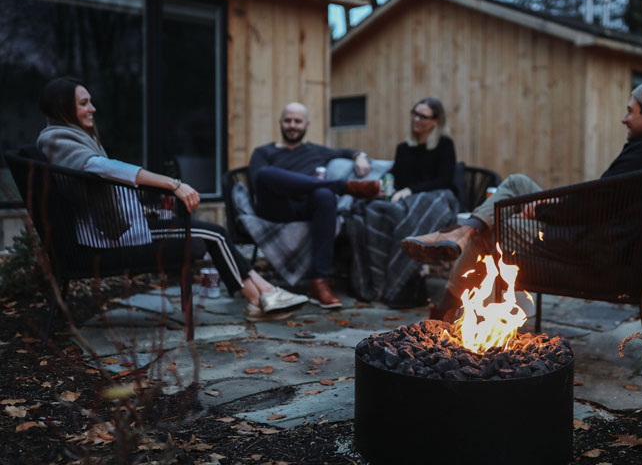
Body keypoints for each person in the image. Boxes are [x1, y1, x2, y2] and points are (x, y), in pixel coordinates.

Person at [401, 76, 642, 321]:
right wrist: (554, 206)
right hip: (603, 239)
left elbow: (595, 206)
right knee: (517, 184)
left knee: (492, 231)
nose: (624, 119)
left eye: (631, 111)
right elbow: (602, 201)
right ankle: (462, 232)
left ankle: (445, 307)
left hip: (586, 249)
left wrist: (543, 210)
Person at [36, 77, 306, 323]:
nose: (92, 108)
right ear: (63, 109)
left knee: (214, 233)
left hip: (114, 227)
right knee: (214, 234)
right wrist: (173, 184)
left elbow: (96, 184)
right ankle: (262, 297)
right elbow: (102, 168)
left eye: (90, 102)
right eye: (84, 103)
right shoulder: (56, 138)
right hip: (110, 236)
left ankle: (264, 297)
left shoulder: (69, 137)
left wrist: (144, 209)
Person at [248, 102, 380, 307]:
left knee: (325, 195)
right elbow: (258, 183)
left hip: (305, 208)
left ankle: (319, 283)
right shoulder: (264, 152)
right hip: (275, 208)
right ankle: (341, 186)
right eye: (288, 120)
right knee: (266, 174)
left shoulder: (317, 151)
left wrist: (360, 156)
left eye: (297, 121)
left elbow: (346, 151)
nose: (292, 125)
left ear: (306, 124)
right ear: (280, 123)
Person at [345, 97, 460, 305]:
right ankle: (376, 283)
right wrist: (383, 187)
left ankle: (400, 283)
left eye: (422, 116)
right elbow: (396, 176)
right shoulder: (404, 148)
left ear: (435, 120)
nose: (416, 119)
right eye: (414, 114)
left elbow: (444, 180)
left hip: (436, 196)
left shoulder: (444, 145)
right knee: (373, 210)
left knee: (420, 208)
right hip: (406, 198)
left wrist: (410, 190)